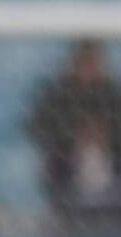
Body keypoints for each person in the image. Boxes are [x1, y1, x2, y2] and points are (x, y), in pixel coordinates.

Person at [28, 39, 121, 212]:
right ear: (73, 63)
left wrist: (106, 137)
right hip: (66, 172)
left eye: (92, 62)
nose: (88, 69)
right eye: (84, 63)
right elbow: (36, 128)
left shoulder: (113, 95)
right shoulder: (57, 94)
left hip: (112, 172)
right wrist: (75, 136)